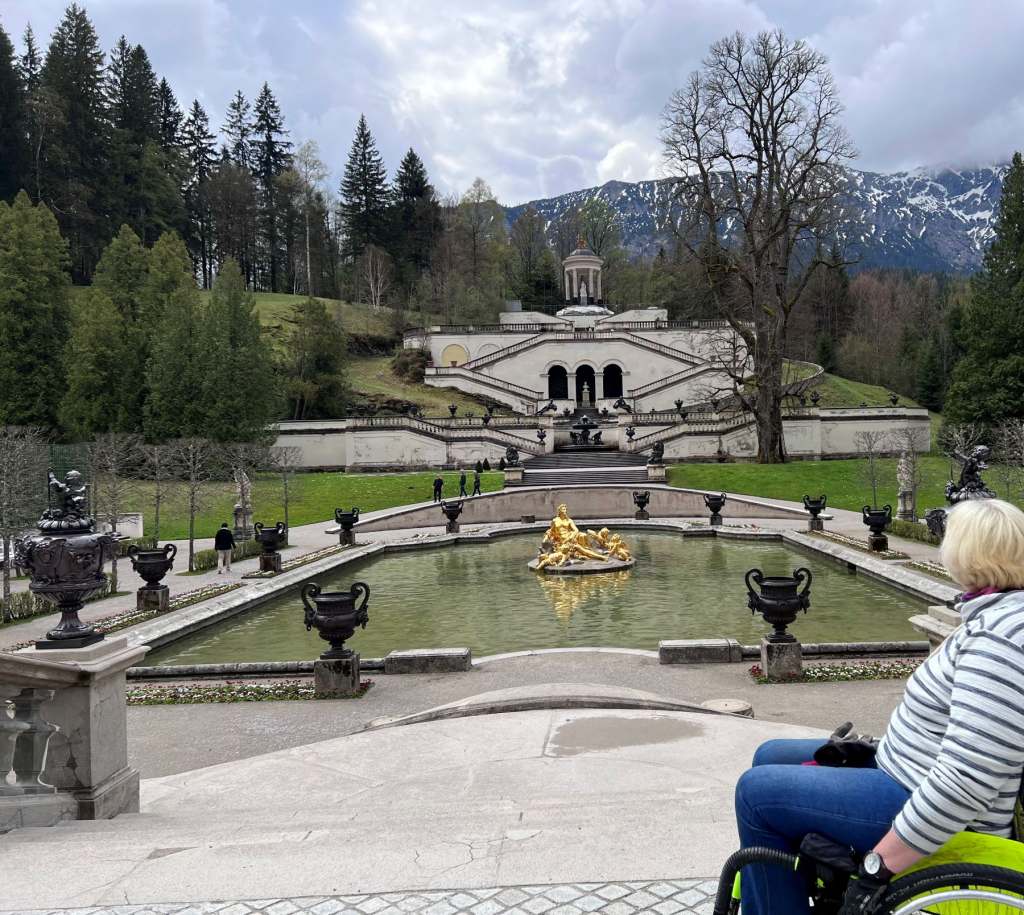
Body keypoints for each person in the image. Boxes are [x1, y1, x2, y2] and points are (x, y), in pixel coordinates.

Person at [733, 498, 1024, 914]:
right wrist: (880, 747)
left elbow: (967, 783)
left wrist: (880, 863)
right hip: (906, 771)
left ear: (963, 555)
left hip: (927, 803)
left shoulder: (999, 639)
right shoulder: (996, 616)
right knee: (769, 755)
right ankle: (789, 888)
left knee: (756, 795)